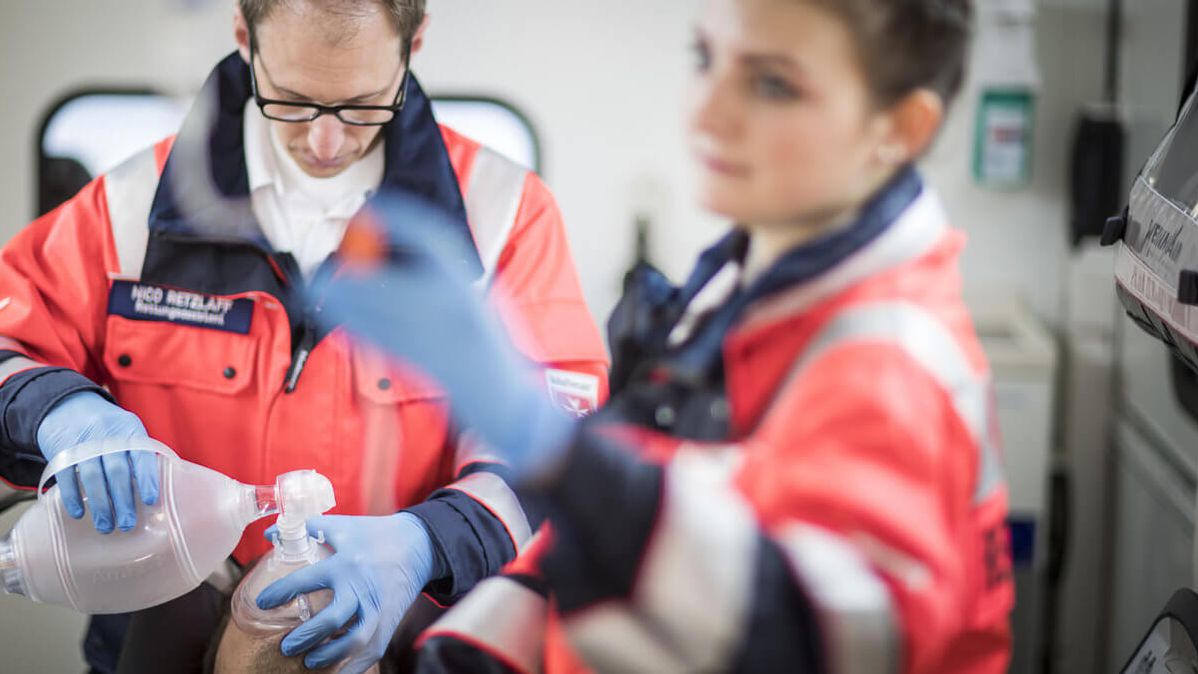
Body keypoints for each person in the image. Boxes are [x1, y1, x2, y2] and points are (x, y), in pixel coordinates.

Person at [308, 0, 1015, 672]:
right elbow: (620, 533)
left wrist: (549, 445)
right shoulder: (745, 283)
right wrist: (463, 653)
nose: (708, 113)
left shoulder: (892, 365)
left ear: (901, 127)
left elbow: (796, 638)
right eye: (706, 57)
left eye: (773, 84)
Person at [0, 1, 607, 672]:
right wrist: (59, 411)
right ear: (243, 34)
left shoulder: (504, 218)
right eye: (289, 101)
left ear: (416, 41)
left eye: (363, 104)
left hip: (391, 649)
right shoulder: (126, 212)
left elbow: (556, 440)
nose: (326, 142)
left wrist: (427, 543)